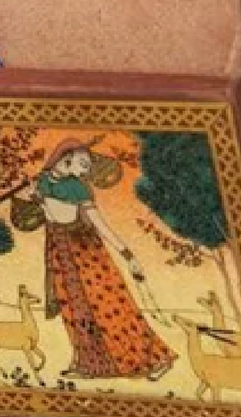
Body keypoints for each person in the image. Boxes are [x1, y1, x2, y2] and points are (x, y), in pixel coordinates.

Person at [34, 138, 174, 380]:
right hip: (60, 251)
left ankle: (157, 358)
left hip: (86, 253)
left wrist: (126, 254)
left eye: (88, 166)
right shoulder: (43, 181)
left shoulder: (78, 188)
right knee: (72, 308)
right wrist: (37, 199)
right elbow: (50, 216)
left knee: (110, 307)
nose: (86, 171)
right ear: (65, 159)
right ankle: (87, 362)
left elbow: (98, 224)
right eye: (83, 164)